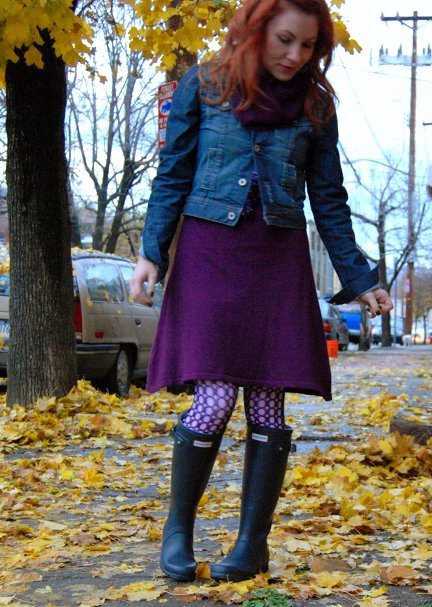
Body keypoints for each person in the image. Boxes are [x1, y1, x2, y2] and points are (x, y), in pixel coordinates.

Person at [130, 0, 393, 583]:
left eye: (308, 46)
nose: (295, 55)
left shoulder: (316, 105)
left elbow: (328, 199)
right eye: (284, 39)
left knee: (268, 400)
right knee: (215, 397)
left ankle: (252, 545)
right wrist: (151, 252)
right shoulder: (206, 83)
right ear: (255, 30)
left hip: (277, 257)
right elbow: (173, 173)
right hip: (209, 252)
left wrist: (360, 278)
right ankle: (178, 532)